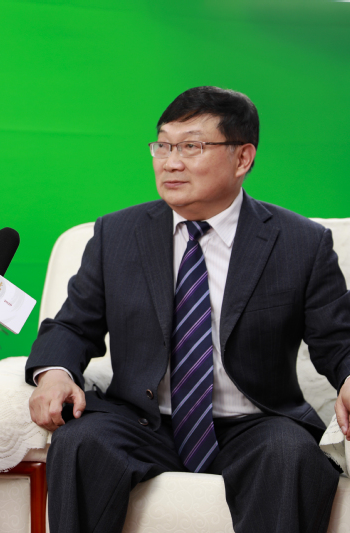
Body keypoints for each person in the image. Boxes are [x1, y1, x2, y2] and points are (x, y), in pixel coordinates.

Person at [26, 86, 350, 533]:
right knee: (82, 440)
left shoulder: (300, 243)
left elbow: (337, 339)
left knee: (290, 453)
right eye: (162, 146)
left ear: (242, 158)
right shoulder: (117, 234)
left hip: (254, 422)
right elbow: (73, 326)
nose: (170, 162)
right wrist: (55, 374)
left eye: (191, 147)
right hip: (142, 421)